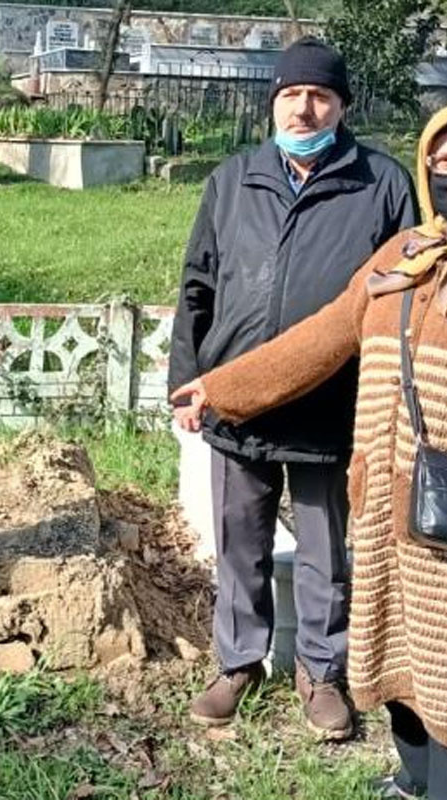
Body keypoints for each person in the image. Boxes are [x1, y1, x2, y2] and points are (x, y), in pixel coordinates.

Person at [172, 102, 447, 800]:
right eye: (443, 163)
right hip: (388, 505)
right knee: (398, 658)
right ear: (425, 168)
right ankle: (414, 781)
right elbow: (322, 336)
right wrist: (223, 388)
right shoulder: (403, 255)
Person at [168, 37, 417, 739]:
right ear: (272, 102)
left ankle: (321, 671)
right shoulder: (233, 179)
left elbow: (405, 300)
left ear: (342, 105)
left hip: (331, 406)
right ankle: (238, 662)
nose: (304, 108)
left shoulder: (383, 184)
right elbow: (197, 285)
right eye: (291, 95)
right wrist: (189, 380)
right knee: (238, 538)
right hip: (236, 400)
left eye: (319, 96)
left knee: (326, 549)